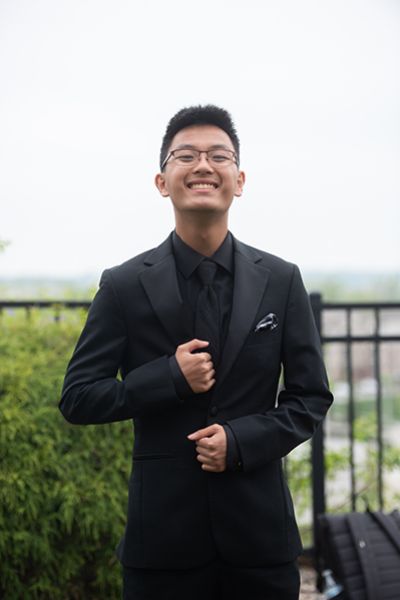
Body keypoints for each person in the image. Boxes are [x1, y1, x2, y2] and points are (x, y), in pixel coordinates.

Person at [59, 104, 333, 600]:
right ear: (162, 181)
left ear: (239, 180)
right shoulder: (123, 285)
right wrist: (168, 378)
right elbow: (78, 397)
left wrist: (240, 441)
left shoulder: (281, 280)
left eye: (218, 156)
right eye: (185, 156)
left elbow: (310, 398)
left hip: (260, 543)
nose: (203, 165)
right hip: (162, 548)